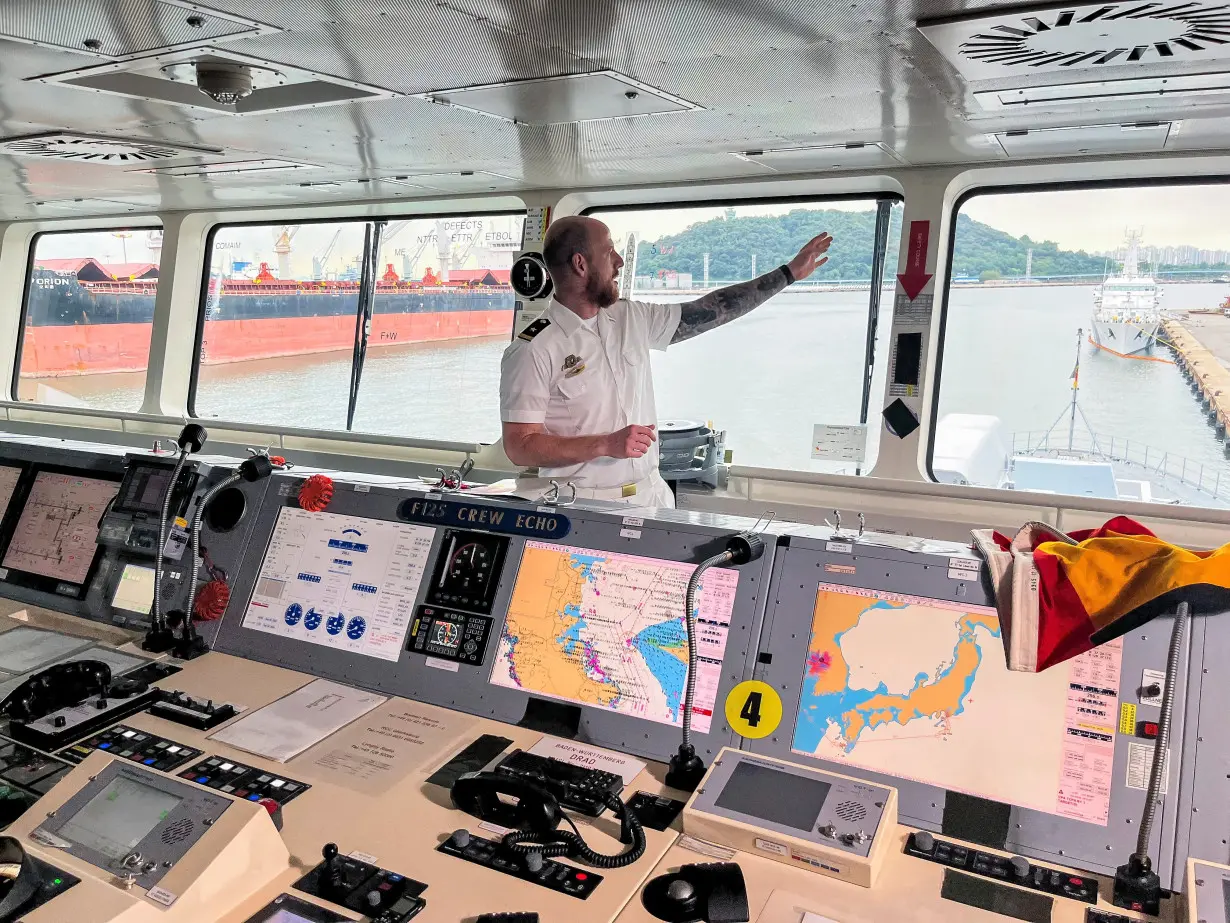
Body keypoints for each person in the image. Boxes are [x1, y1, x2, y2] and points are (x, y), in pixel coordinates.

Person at [499, 216, 832, 507]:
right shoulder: (534, 348)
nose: (619, 261)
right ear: (581, 264)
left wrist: (787, 275)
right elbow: (520, 447)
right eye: (609, 251)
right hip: (583, 503)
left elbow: (711, 310)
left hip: (651, 497)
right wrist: (605, 443)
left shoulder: (631, 318)